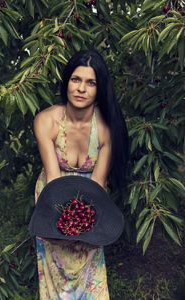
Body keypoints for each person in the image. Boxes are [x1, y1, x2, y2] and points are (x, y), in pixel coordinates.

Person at [33, 49, 128, 299]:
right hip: (53, 194)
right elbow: (54, 180)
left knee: (89, 268)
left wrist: (86, 227)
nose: (81, 88)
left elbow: (97, 184)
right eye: (76, 79)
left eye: (91, 82)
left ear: (99, 89)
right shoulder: (46, 121)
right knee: (55, 269)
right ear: (67, 82)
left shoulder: (107, 129)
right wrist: (57, 227)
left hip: (91, 201)